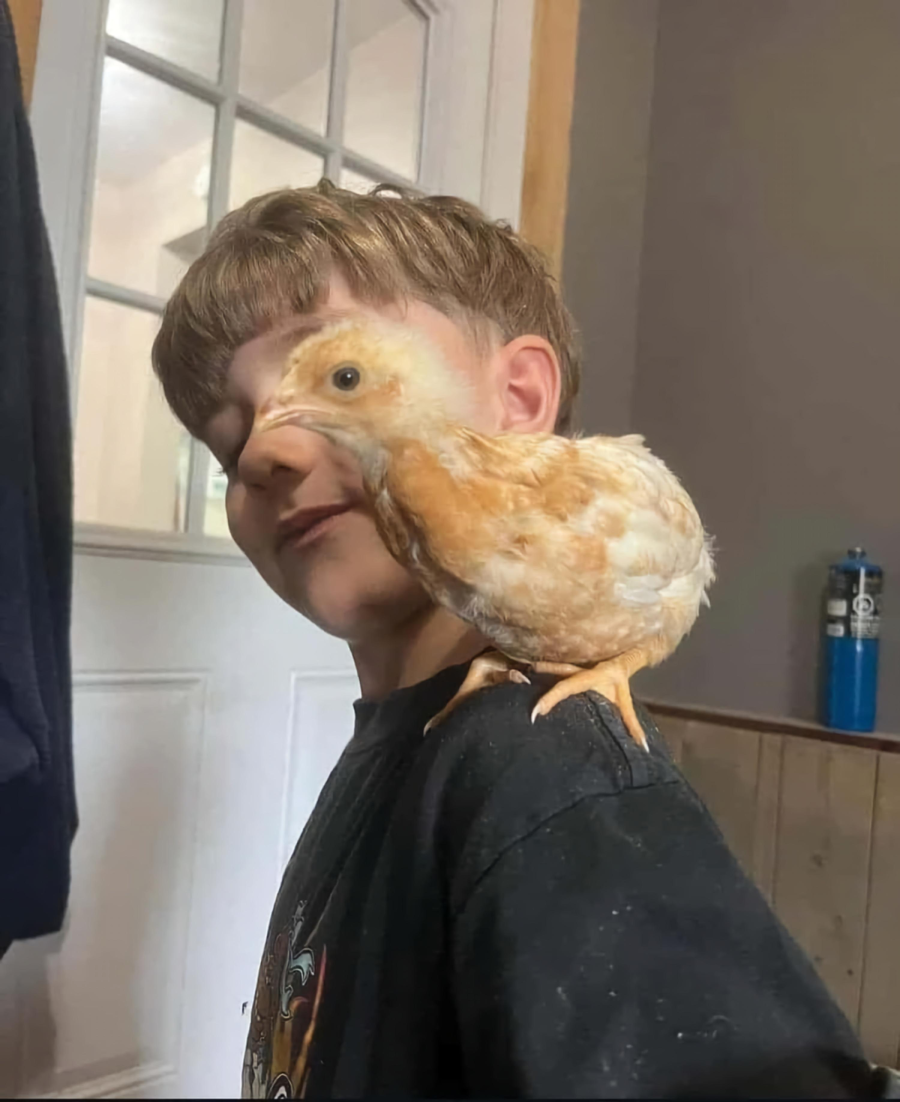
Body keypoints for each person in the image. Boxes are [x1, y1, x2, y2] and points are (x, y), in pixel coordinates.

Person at [152, 181, 874, 1099]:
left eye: (339, 377)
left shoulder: (547, 774)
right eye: (229, 444)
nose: (264, 452)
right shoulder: (415, 747)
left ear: (521, 396)